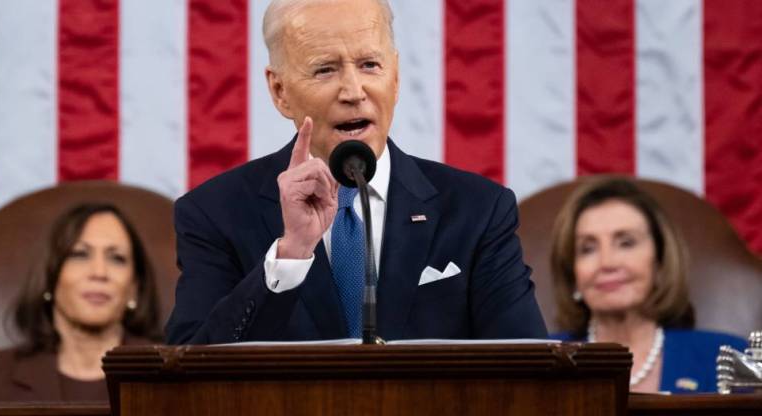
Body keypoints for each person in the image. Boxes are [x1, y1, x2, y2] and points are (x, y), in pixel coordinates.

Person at [165, 0, 547, 345]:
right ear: (280, 91)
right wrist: (291, 255)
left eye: (369, 65)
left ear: (394, 77)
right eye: (325, 69)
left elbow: (527, 367)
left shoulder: (478, 209)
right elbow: (188, 371)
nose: (353, 91)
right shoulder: (214, 214)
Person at [549, 177, 747, 393]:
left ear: (660, 262)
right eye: (588, 248)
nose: (607, 263)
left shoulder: (727, 359)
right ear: (572, 273)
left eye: (626, 243)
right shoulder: (540, 363)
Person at [0, 203, 162, 402]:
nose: (99, 272)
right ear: (50, 277)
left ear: (134, 287)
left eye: (117, 258)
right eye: (79, 254)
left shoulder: (174, 381)